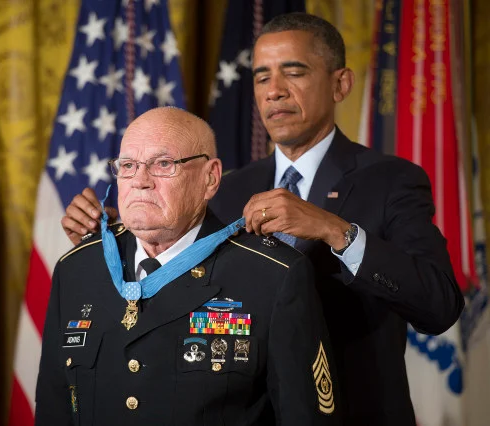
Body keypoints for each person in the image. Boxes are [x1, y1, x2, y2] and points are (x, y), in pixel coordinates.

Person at [60, 13, 464, 426]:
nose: (274, 92)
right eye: (261, 77)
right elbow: (175, 279)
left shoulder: (391, 180)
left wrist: (334, 230)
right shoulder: (229, 188)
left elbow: (440, 306)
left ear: (341, 83)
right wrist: (120, 230)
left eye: (294, 72)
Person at [36, 107, 342, 425]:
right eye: (127, 166)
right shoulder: (77, 268)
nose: (140, 181)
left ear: (210, 178)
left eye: (163, 164)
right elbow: (53, 408)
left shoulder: (272, 275)